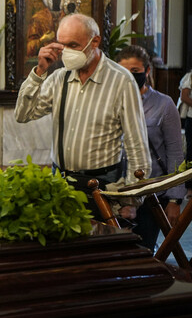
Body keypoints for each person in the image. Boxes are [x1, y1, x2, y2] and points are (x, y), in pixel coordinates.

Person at [15, 13, 151, 219]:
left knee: (96, 249)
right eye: (61, 46)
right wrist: (39, 71)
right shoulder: (59, 78)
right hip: (60, 182)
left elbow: (137, 145)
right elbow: (23, 115)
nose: (66, 52)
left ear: (94, 41)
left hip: (100, 186)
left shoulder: (121, 81)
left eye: (73, 45)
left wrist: (130, 201)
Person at [116, 45, 184, 250]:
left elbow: (174, 152)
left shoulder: (163, 104)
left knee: (143, 250)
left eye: (135, 72)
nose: (129, 77)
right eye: (123, 72)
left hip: (151, 194)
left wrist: (175, 199)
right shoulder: (111, 102)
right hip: (117, 191)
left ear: (147, 71)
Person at [179, 70, 192, 200]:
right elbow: (184, 96)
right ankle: (189, 187)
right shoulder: (189, 77)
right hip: (191, 118)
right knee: (191, 153)